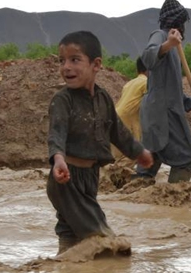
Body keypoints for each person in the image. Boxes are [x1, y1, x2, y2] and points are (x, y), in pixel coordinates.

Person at [47, 30, 154, 254]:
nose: (66, 67)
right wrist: (58, 160)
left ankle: (65, 269)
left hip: (90, 177)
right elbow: (56, 134)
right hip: (66, 178)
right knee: (101, 235)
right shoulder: (62, 101)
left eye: (75, 60)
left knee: (70, 229)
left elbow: (118, 132)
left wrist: (139, 153)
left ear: (96, 65)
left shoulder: (103, 98)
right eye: (62, 60)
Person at [136, 0, 191, 183]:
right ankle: (174, 200)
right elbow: (148, 57)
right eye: (182, 23)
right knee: (189, 156)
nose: (184, 27)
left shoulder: (174, 48)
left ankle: (135, 199)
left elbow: (171, 89)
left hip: (156, 110)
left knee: (150, 160)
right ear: (178, 23)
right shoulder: (160, 35)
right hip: (162, 113)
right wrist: (168, 44)